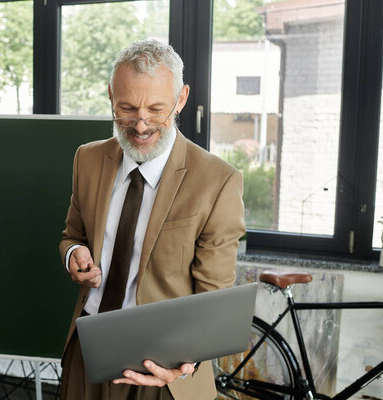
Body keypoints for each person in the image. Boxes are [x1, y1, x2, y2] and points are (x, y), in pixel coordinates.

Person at [58, 39, 245, 400]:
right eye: (127, 108)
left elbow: (212, 298)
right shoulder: (88, 159)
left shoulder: (218, 181)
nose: (141, 125)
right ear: (111, 94)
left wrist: (184, 363)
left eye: (156, 109)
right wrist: (73, 254)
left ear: (181, 98)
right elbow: (72, 235)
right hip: (88, 353)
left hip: (167, 373)